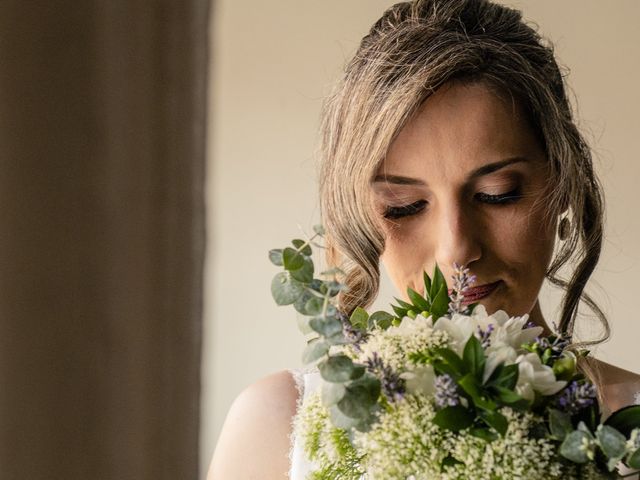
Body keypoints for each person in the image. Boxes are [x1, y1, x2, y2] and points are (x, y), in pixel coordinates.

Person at [208, 1, 640, 478]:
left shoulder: (632, 430)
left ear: (564, 184)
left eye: (498, 195)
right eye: (404, 206)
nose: (457, 249)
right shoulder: (278, 427)